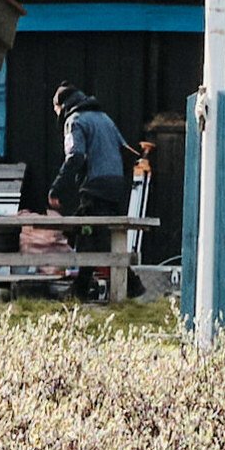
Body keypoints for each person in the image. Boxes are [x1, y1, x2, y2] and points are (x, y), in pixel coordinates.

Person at [50, 85, 136, 301]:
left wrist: (57, 188)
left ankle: (132, 286)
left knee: (89, 236)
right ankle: (80, 290)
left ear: (62, 106)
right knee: (95, 237)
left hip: (95, 187)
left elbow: (75, 156)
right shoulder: (105, 119)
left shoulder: (74, 121)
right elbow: (126, 151)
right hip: (115, 185)